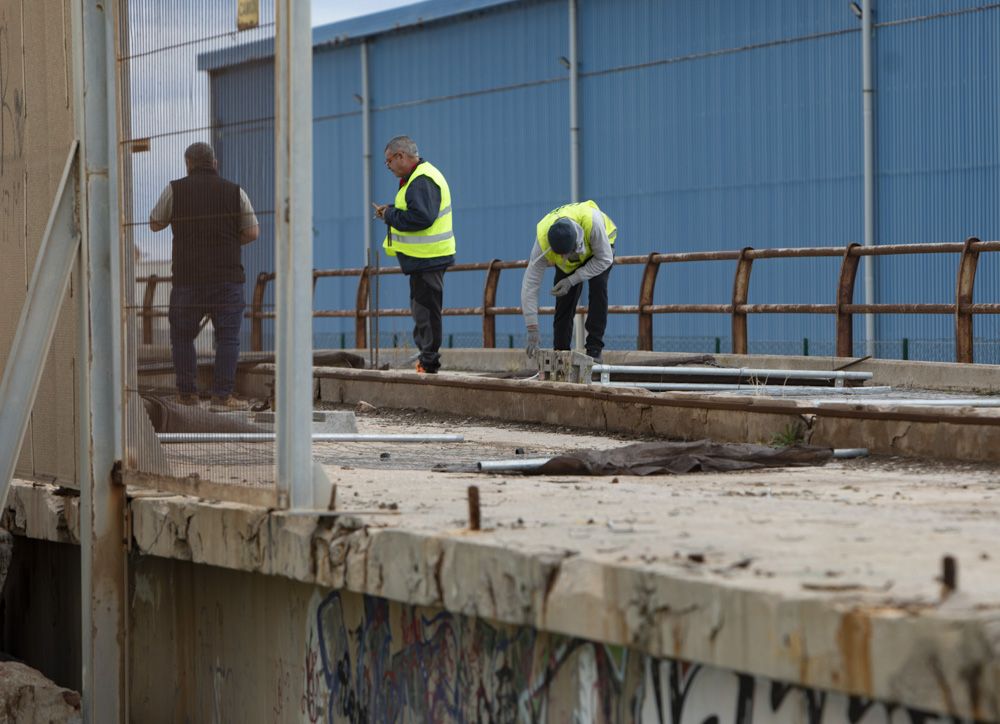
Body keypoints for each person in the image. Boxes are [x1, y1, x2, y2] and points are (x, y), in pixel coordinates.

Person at [149, 142, 259, 409]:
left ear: (188, 164)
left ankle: (187, 396)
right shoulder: (235, 191)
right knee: (228, 338)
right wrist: (227, 243)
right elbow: (252, 232)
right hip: (227, 278)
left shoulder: (175, 189)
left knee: (183, 337)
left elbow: (155, 224)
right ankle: (222, 397)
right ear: (215, 163)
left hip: (188, 279)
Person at [373, 136, 455, 374]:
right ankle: (426, 359)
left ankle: (428, 363)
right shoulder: (416, 178)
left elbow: (422, 218)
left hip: (428, 258)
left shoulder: (421, 180)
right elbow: (416, 211)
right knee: (423, 310)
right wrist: (392, 210)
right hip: (423, 259)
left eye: (389, 161)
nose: (388, 167)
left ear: (401, 156)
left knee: (426, 312)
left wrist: (390, 216)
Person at [521, 200, 617, 362]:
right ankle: (561, 353)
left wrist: (572, 280)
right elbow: (530, 283)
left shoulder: (592, 223)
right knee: (564, 300)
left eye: (565, 254)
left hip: (600, 252)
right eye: (559, 255)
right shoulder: (543, 240)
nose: (562, 258)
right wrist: (532, 328)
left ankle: (594, 350)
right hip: (573, 257)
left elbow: (604, 260)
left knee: (598, 288)